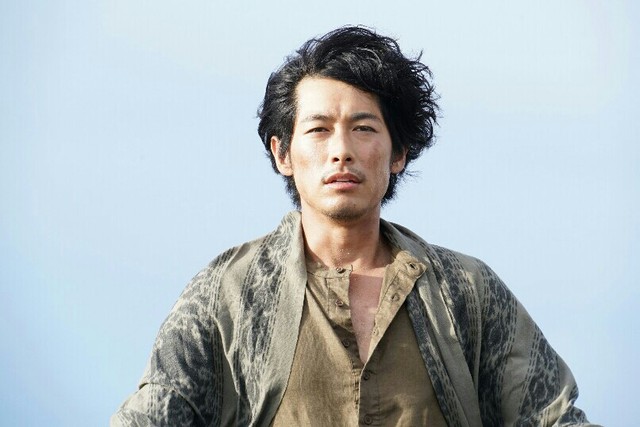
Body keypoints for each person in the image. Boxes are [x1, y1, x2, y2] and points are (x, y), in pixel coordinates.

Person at [112, 26, 598, 426]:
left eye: (364, 128)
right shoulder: (229, 292)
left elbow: (554, 418)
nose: (341, 150)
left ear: (398, 153)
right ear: (283, 153)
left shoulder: (467, 293)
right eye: (318, 129)